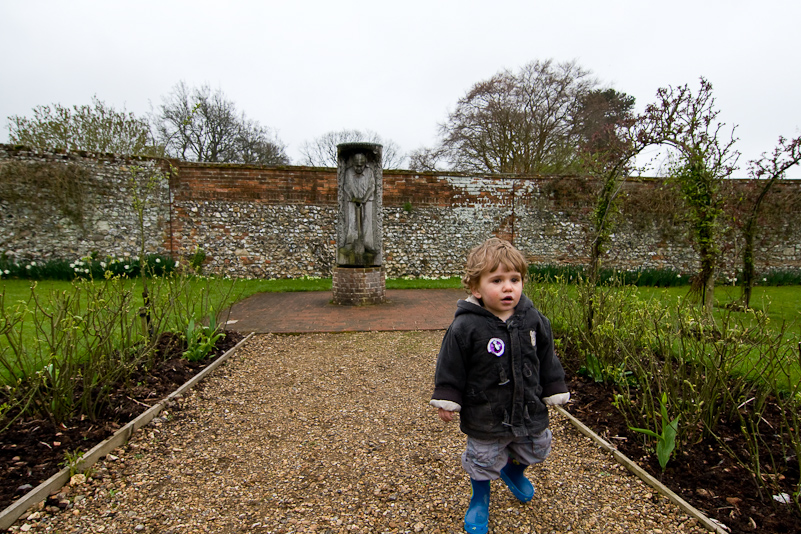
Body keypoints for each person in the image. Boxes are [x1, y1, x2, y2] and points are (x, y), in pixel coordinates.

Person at [430, 238, 570, 534]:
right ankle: (480, 498)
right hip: (485, 411)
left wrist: (554, 385)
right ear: (476, 288)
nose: (508, 287)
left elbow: (546, 355)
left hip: (528, 406)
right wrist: (447, 396)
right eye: (497, 280)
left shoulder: (533, 320)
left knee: (538, 445)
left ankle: (513, 469)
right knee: (482, 459)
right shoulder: (465, 327)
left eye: (514, 279)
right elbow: (451, 364)